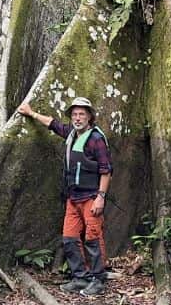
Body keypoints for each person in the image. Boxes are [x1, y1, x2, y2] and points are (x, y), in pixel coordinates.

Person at [18, 96, 112, 295]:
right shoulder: (71, 133)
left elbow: (106, 170)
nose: (78, 118)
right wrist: (31, 112)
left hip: (91, 197)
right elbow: (53, 124)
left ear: (89, 117)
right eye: (75, 114)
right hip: (73, 198)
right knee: (69, 238)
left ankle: (98, 279)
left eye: (82, 114)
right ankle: (80, 277)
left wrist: (101, 197)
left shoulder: (95, 139)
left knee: (93, 239)